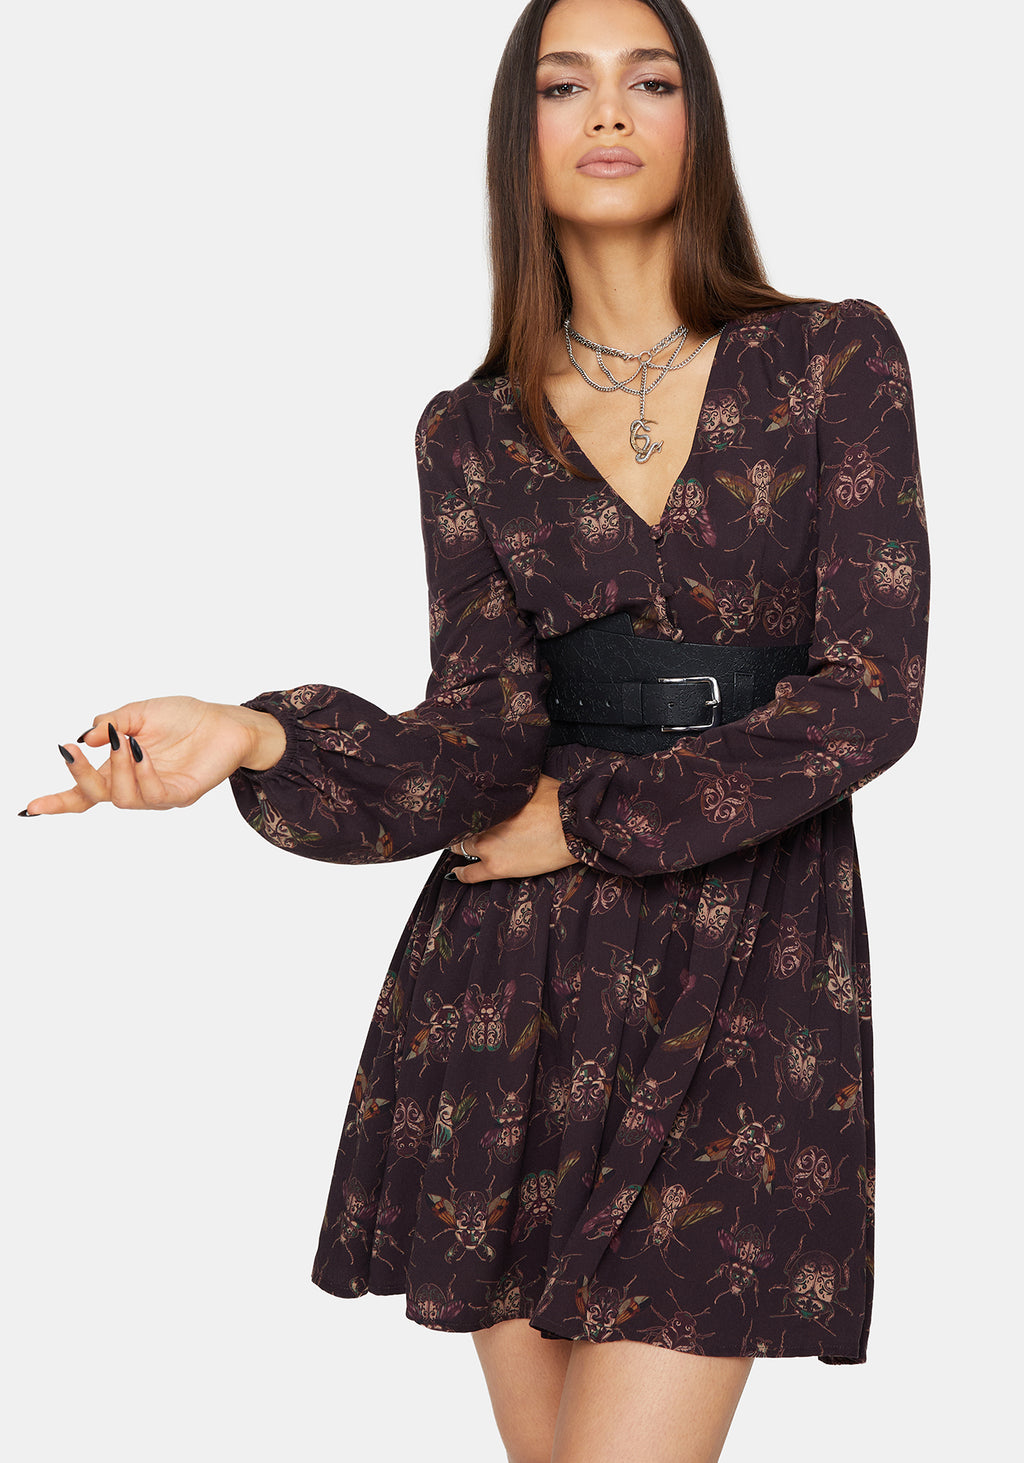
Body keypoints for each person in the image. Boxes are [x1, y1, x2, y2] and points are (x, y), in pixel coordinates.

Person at [19, 0, 930, 1459]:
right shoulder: (470, 429)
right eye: (567, 86)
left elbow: (870, 692)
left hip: (755, 963)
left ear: (697, 121)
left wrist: (599, 820)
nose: (610, 111)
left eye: (650, 80)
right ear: (524, 136)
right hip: (521, 984)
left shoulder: (832, 358)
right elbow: (479, 736)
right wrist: (258, 736)